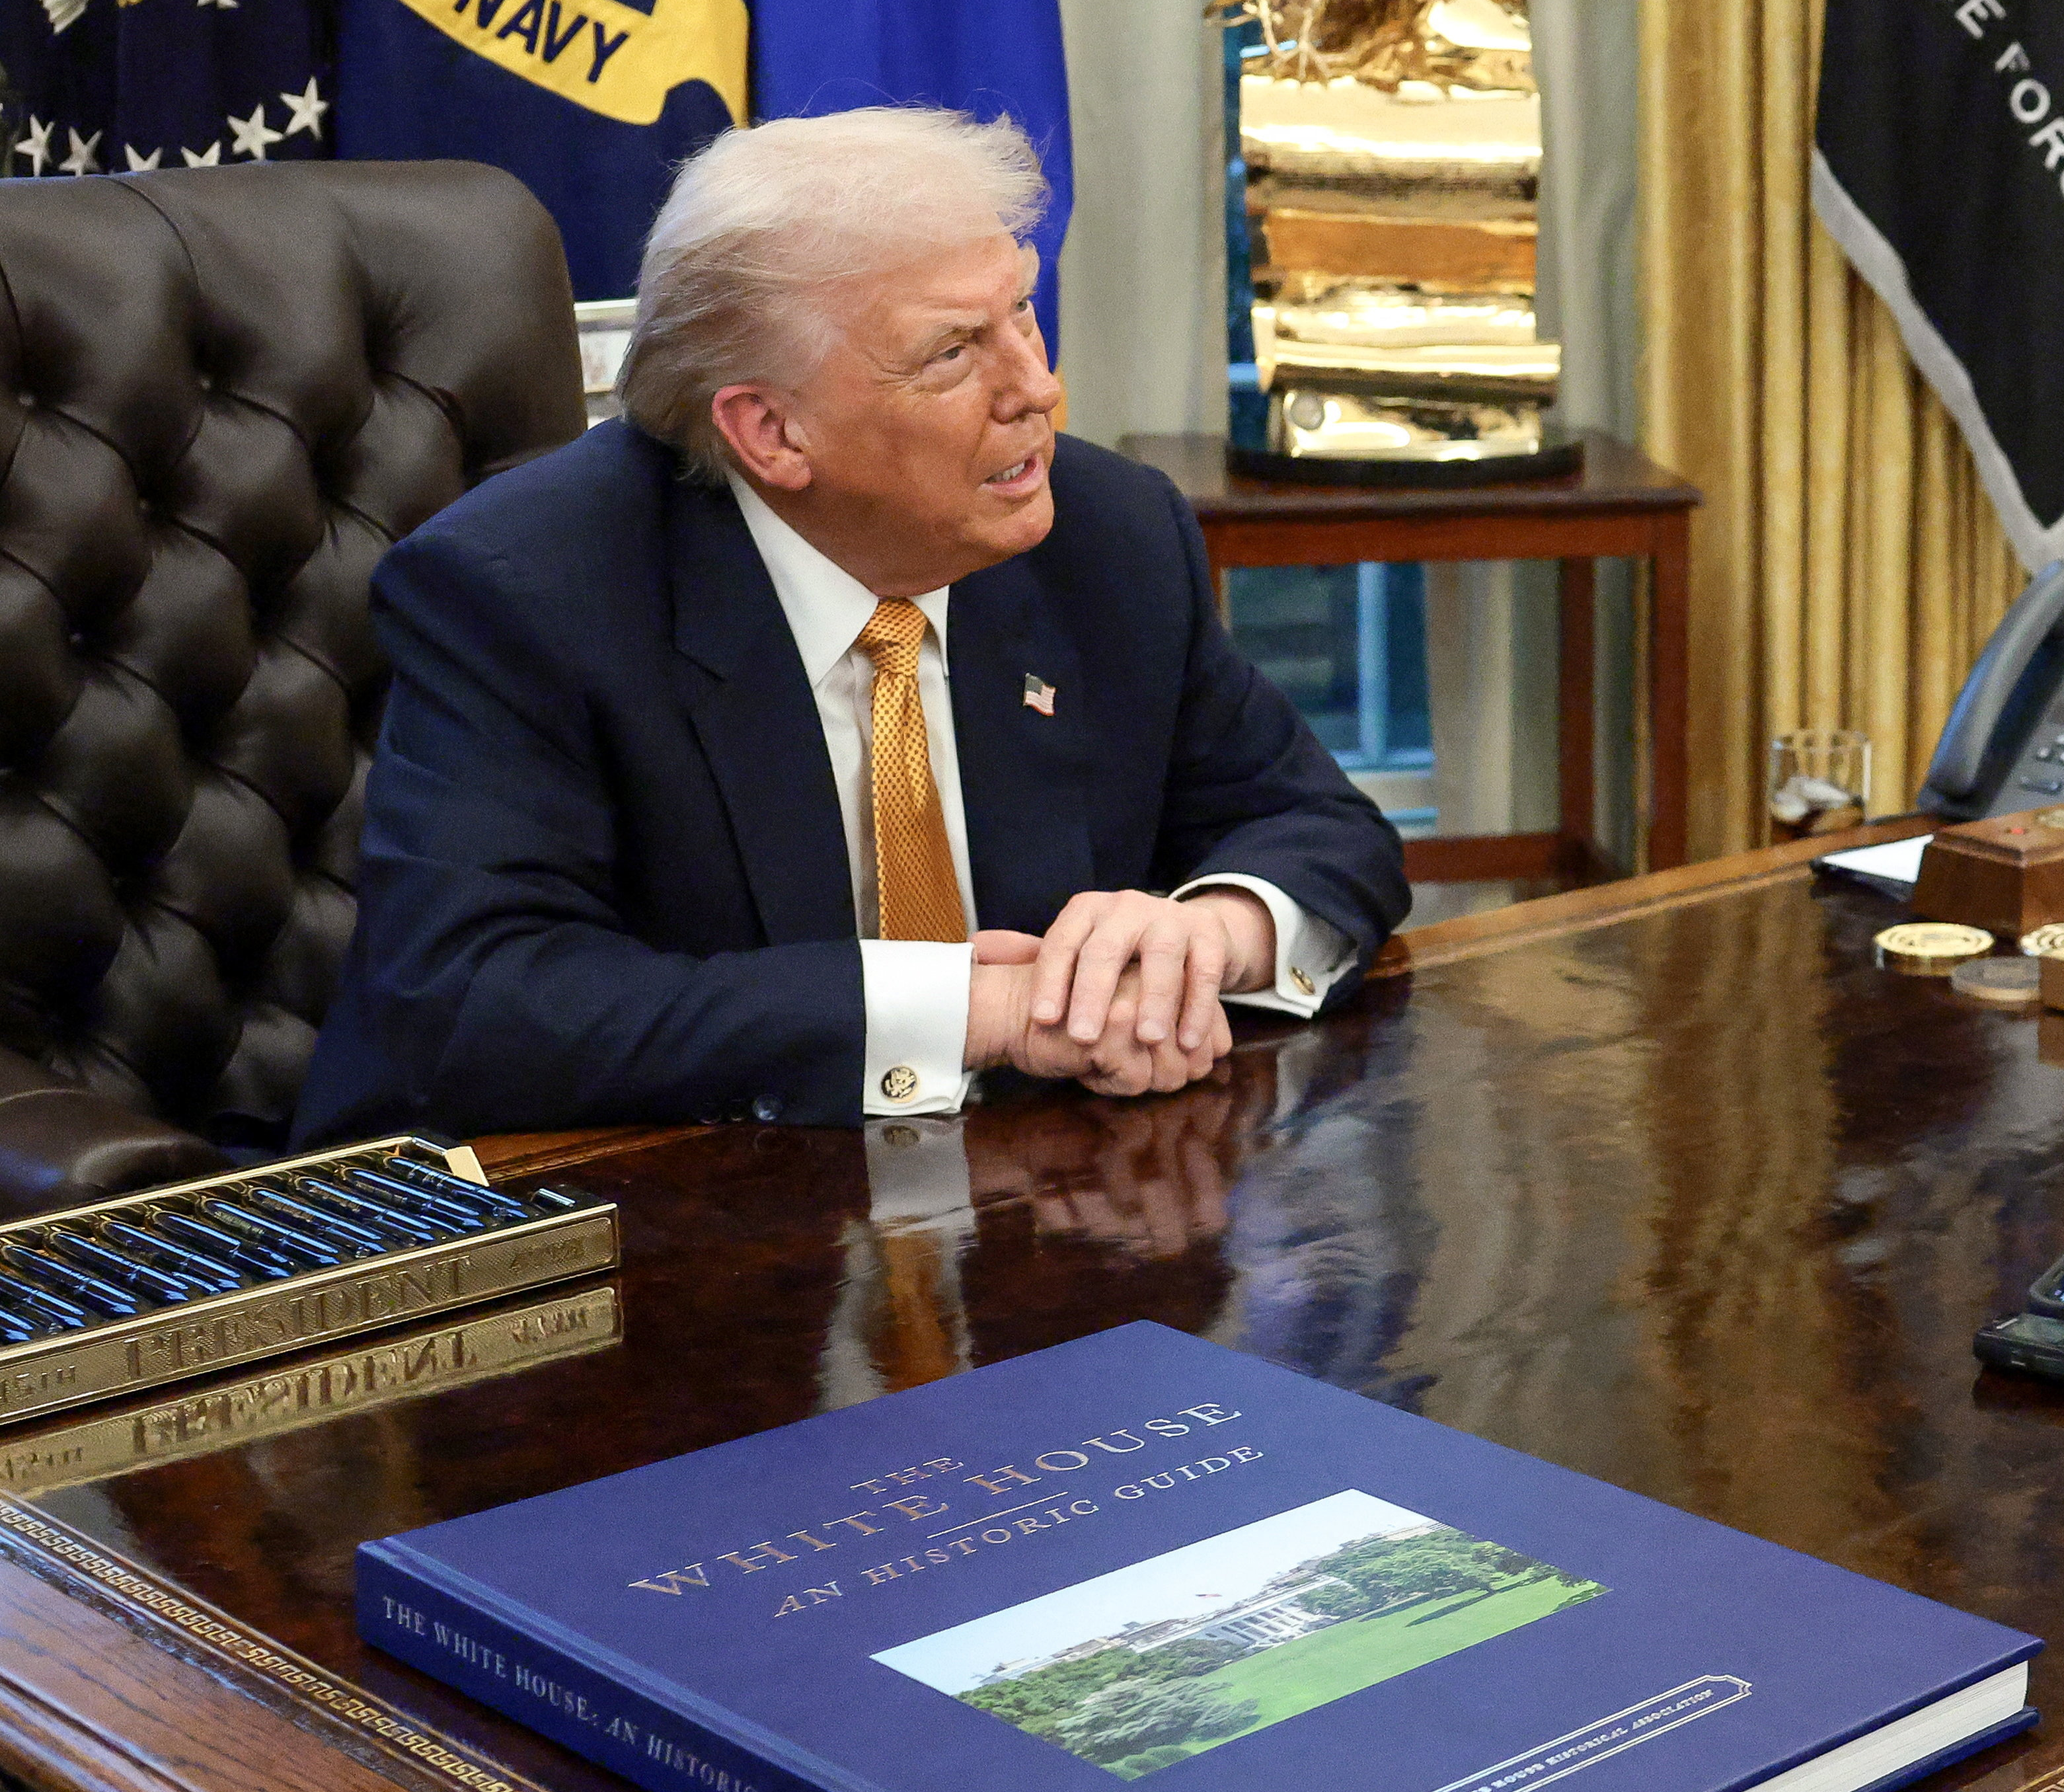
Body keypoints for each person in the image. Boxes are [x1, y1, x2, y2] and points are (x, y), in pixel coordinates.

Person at [299, 108, 1408, 1140]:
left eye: (1021, 311)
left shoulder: (1105, 534)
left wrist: (1204, 936)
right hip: (629, 1218)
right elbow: (472, 1002)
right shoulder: (527, 592)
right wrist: (971, 1011)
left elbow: (1320, 826)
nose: (1036, 388)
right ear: (772, 432)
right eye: (953, 352)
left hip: (1025, 1201)